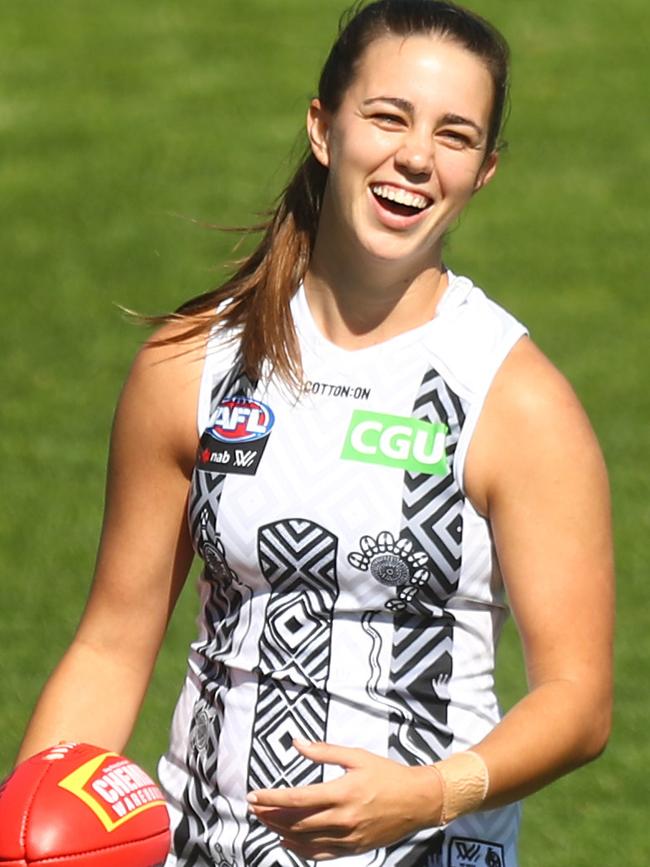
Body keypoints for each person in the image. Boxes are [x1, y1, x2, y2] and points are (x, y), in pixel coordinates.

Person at [16, 1, 614, 865]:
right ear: (324, 128)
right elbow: (110, 645)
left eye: (455, 135)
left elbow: (579, 701)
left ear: (483, 170)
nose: (416, 155)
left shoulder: (516, 402)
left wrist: (428, 793)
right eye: (388, 116)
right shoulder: (190, 366)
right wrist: (35, 827)